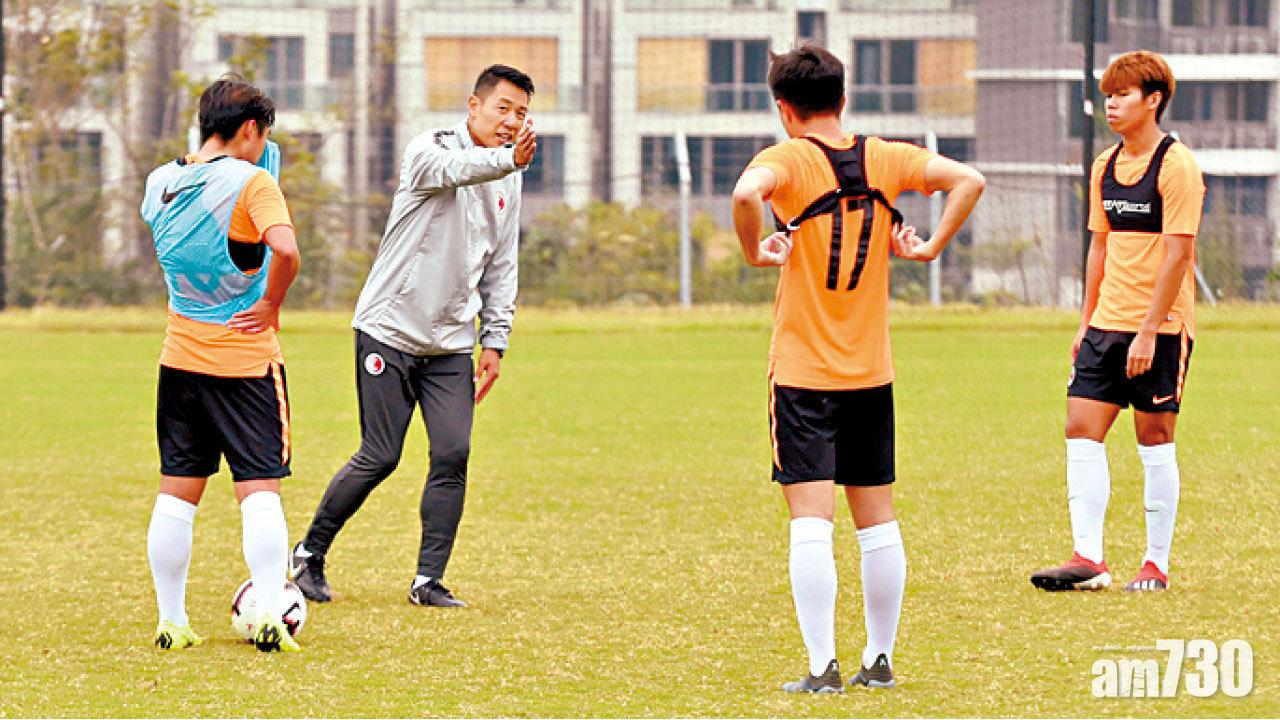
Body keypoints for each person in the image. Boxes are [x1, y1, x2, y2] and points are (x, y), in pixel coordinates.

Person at [731, 47, 985, 693]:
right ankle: (880, 659)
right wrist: (930, 247)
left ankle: (822, 668)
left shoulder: (787, 159)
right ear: (842, 100)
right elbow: (969, 180)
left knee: (810, 523)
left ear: (784, 109)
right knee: (878, 523)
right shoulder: (887, 157)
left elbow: (745, 193)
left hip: (802, 374)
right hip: (871, 372)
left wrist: (755, 251)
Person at [289, 64, 537, 608]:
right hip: (389, 330)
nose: (511, 121)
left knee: (453, 453)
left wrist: (495, 339)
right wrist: (507, 161)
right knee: (381, 454)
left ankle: (428, 581)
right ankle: (309, 554)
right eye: (503, 108)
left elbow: (502, 264)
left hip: (450, 343)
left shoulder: (510, 176)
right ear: (473, 105)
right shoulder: (430, 149)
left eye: (521, 113)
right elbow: (453, 171)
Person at [1031, 50, 1203, 593]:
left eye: (1123, 94)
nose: (1110, 103)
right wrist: (1086, 322)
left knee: (1154, 439)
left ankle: (1155, 564)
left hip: (1161, 329)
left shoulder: (1177, 165)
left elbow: (1177, 255)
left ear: (1153, 100)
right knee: (1080, 428)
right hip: (1105, 326)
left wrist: (1149, 330)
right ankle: (1089, 559)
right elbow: (1099, 248)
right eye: (1107, 94)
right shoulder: (1103, 166)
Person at [142, 77, 302, 652]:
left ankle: (172, 621)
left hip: (180, 360)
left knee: (176, 494)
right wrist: (271, 303)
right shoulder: (254, 183)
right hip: (245, 363)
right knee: (259, 491)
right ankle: (270, 612)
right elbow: (286, 250)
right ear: (252, 129)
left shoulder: (160, 182)